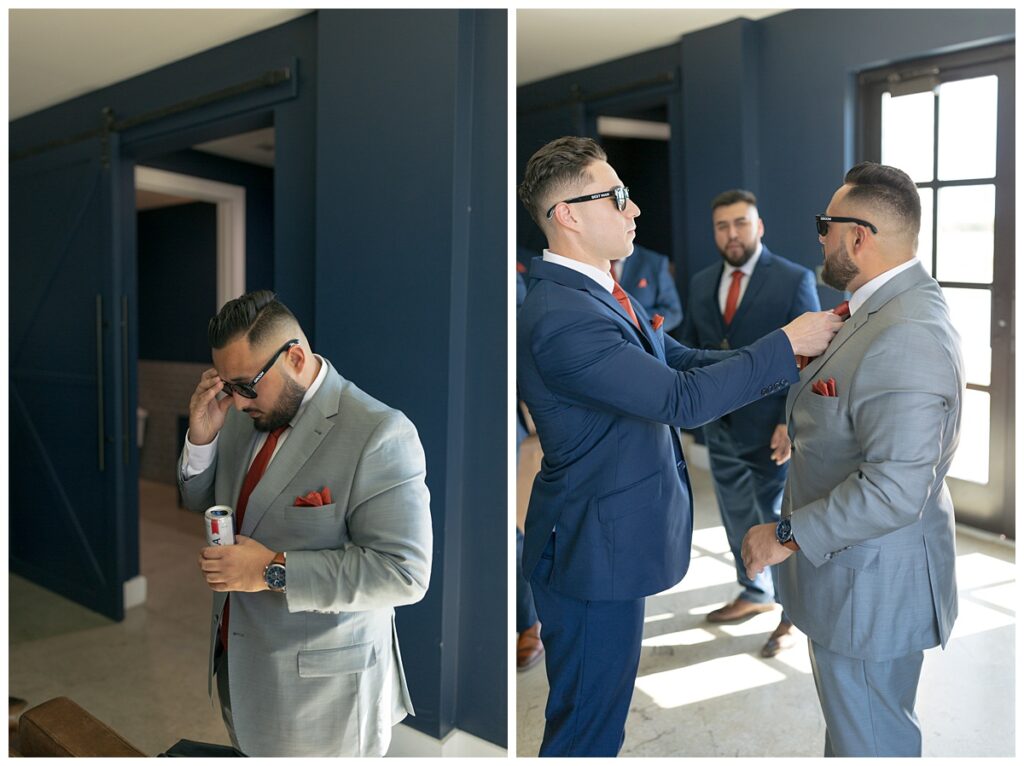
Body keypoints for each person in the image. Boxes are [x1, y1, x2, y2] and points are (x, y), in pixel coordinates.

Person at [516, 136, 842, 757]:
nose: (634, 209)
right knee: (587, 729)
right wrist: (783, 343)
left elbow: (678, 360)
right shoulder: (563, 314)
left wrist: (785, 351)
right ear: (568, 215)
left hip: (604, 541)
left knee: (597, 716)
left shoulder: (598, 289)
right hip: (590, 554)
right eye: (617, 196)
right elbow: (679, 399)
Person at [742, 162, 963, 757]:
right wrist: (804, 427)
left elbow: (893, 490)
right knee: (853, 732)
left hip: (871, 588)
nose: (820, 237)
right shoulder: (876, 308)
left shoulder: (907, 330)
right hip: (850, 579)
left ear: (857, 237)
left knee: (870, 740)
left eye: (825, 224)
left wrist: (783, 536)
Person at [178, 290, 432, 757]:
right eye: (227, 385)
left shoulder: (380, 433)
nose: (235, 402)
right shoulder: (239, 414)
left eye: (246, 385)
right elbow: (200, 500)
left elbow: (403, 574)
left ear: (295, 357)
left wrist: (269, 569)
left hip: (325, 695)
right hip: (237, 664)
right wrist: (201, 438)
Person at [680, 189, 820, 657]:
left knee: (776, 520)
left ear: (758, 227)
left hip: (771, 433)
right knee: (736, 515)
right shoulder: (701, 283)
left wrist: (790, 422)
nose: (732, 233)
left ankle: (791, 613)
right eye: (722, 226)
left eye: (741, 223)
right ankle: (754, 592)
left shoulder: (792, 279)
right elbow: (696, 352)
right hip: (720, 430)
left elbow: (811, 358)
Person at [612, 243, 683, 332]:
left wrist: (638, 323)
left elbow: (673, 313)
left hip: (641, 341)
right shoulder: (591, 263)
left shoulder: (654, 262)